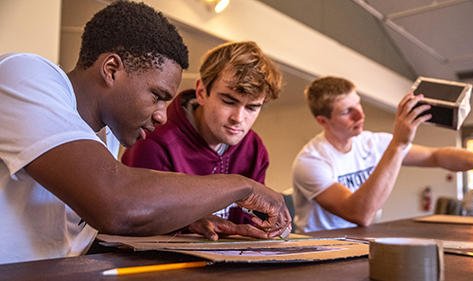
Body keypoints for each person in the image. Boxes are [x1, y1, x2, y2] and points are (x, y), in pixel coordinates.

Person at [0, 1, 290, 265]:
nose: (163, 115)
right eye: (157, 96)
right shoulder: (22, 74)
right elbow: (115, 204)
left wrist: (181, 217)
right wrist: (244, 187)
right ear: (112, 69)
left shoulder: (109, 132)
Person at [292, 76, 473, 233]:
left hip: (358, 241)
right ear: (322, 121)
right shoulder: (310, 161)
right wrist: (399, 143)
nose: (360, 114)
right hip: (320, 249)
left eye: (358, 104)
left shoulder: (372, 142)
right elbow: (361, 214)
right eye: (347, 111)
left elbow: (436, 156)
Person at [121, 41, 282, 240]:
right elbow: (132, 224)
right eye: (228, 101)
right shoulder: (154, 143)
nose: (239, 118)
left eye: (252, 107)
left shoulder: (254, 149)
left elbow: (250, 227)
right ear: (201, 92)